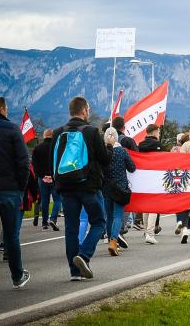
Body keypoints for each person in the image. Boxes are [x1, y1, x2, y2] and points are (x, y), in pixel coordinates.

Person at [50, 96, 110, 280]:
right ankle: (84, 255)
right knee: (100, 222)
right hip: (88, 186)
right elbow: (104, 159)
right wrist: (110, 147)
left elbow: (53, 160)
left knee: (71, 229)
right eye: (88, 109)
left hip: (66, 187)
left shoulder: (58, 132)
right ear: (84, 111)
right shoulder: (91, 132)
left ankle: (74, 272)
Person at [0, 97, 31, 296]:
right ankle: (17, 276)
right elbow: (23, 162)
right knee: (12, 236)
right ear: (2, 109)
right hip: (9, 190)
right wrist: (20, 187)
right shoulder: (13, 130)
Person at [102, 127, 136, 256]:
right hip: (120, 188)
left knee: (109, 216)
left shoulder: (102, 152)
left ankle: (112, 241)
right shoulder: (122, 151)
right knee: (118, 216)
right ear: (116, 138)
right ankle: (113, 241)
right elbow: (132, 168)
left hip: (106, 188)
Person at [138, 124, 165, 244]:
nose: (159, 135)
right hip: (155, 178)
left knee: (146, 207)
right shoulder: (158, 145)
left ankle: (146, 231)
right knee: (154, 206)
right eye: (158, 133)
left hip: (143, 178)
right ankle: (150, 233)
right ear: (154, 132)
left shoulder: (140, 145)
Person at [32, 129, 62, 231]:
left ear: (44, 136)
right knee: (57, 199)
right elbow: (59, 163)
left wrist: (42, 176)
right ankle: (53, 218)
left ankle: (44, 223)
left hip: (42, 178)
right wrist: (52, 176)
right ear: (52, 136)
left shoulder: (37, 148)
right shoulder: (56, 148)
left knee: (45, 201)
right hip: (54, 177)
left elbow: (34, 165)